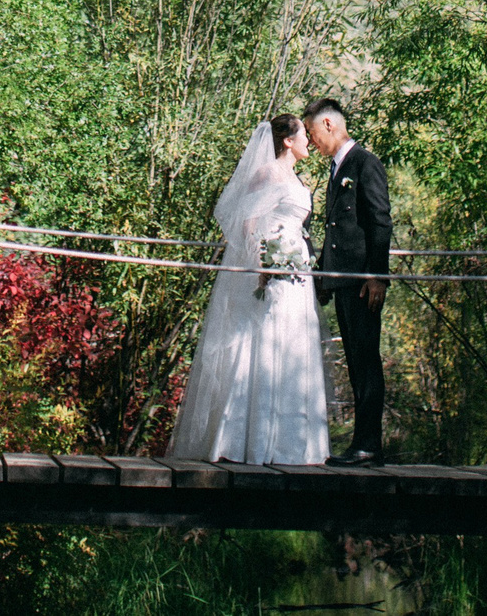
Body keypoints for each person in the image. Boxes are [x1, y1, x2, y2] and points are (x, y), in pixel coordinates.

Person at [166, 114, 331, 465]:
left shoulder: (294, 178)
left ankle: (293, 445)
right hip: (273, 271)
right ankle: (250, 442)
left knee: (293, 344)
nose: (309, 142)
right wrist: (263, 265)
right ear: (288, 140)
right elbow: (246, 222)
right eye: (304, 134)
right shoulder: (267, 173)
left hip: (297, 272)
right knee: (264, 340)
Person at [304, 96, 392, 466]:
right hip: (342, 281)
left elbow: (380, 221)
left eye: (311, 133)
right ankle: (363, 443)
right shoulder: (337, 168)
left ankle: (369, 444)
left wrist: (378, 276)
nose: (310, 143)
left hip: (361, 282)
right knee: (355, 361)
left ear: (328, 124)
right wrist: (324, 272)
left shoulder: (364, 163)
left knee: (366, 360)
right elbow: (338, 229)